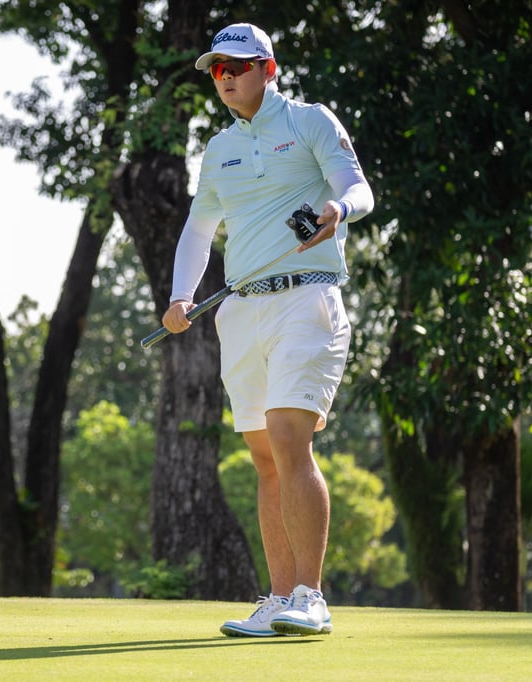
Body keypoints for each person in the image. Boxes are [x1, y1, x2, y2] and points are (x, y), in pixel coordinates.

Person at [162, 22, 374, 637]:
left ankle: (312, 596)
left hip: (306, 298)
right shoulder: (218, 149)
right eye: (217, 70)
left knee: (287, 436)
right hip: (241, 310)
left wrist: (337, 211)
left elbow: (358, 187)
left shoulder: (310, 121)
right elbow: (199, 231)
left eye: (236, 67)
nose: (224, 78)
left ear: (268, 69)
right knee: (264, 459)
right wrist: (181, 296)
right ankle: (280, 598)